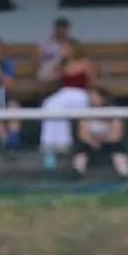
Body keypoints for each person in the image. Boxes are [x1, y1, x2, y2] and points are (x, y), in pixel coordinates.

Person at [39, 39, 96, 169]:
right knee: (49, 105)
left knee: (56, 106)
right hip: (64, 94)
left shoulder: (85, 63)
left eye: (65, 49)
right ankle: (51, 146)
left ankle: (62, 144)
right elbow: (46, 78)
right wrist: (55, 62)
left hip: (80, 95)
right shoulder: (62, 65)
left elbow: (92, 82)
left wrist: (93, 99)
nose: (63, 51)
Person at [72, 87, 128, 179]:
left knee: (119, 153)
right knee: (81, 153)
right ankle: (77, 176)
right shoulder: (85, 112)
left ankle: (125, 176)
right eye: (91, 96)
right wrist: (93, 142)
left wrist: (103, 141)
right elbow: (82, 134)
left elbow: (116, 135)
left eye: (95, 96)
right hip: (90, 143)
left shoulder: (113, 112)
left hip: (110, 143)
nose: (92, 98)